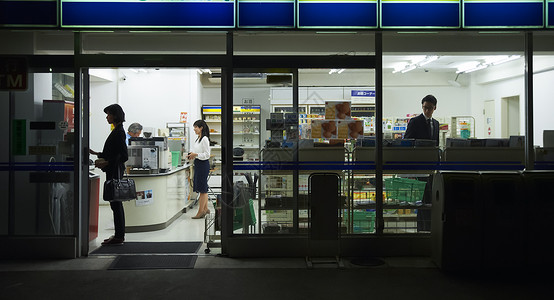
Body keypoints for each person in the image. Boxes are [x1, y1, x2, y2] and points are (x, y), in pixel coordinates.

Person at [90, 104, 128, 245]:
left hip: (115, 172)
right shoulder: (116, 130)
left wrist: (107, 163)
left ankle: (119, 236)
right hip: (113, 170)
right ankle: (118, 235)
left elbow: (123, 155)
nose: (107, 117)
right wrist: (96, 154)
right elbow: (113, 152)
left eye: (109, 114)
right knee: (114, 203)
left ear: (115, 115)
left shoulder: (119, 132)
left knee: (116, 203)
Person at [187, 120, 211, 219]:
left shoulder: (204, 139)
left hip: (203, 164)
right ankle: (205, 209)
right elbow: (198, 151)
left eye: (195, 127)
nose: (194, 129)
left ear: (201, 128)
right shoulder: (198, 139)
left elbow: (207, 154)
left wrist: (195, 155)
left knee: (202, 189)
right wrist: (192, 154)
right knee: (202, 188)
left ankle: (200, 212)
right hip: (198, 163)